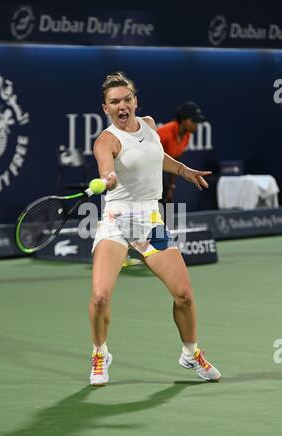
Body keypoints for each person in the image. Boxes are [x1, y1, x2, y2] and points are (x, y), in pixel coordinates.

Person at [89, 71, 221, 386]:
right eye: (114, 102)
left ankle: (191, 353)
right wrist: (108, 177)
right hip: (117, 222)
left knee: (184, 295)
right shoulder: (106, 140)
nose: (121, 106)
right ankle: (99, 354)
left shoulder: (148, 125)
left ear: (135, 101)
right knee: (100, 297)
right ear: (105, 108)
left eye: (126, 99)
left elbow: (156, 156)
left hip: (149, 221)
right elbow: (106, 167)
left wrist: (184, 170)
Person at [157, 102, 206, 203]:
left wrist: (171, 186)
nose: (196, 125)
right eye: (194, 121)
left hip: (163, 170)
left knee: (167, 200)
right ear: (183, 120)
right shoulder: (164, 132)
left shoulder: (187, 136)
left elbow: (176, 160)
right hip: (152, 170)